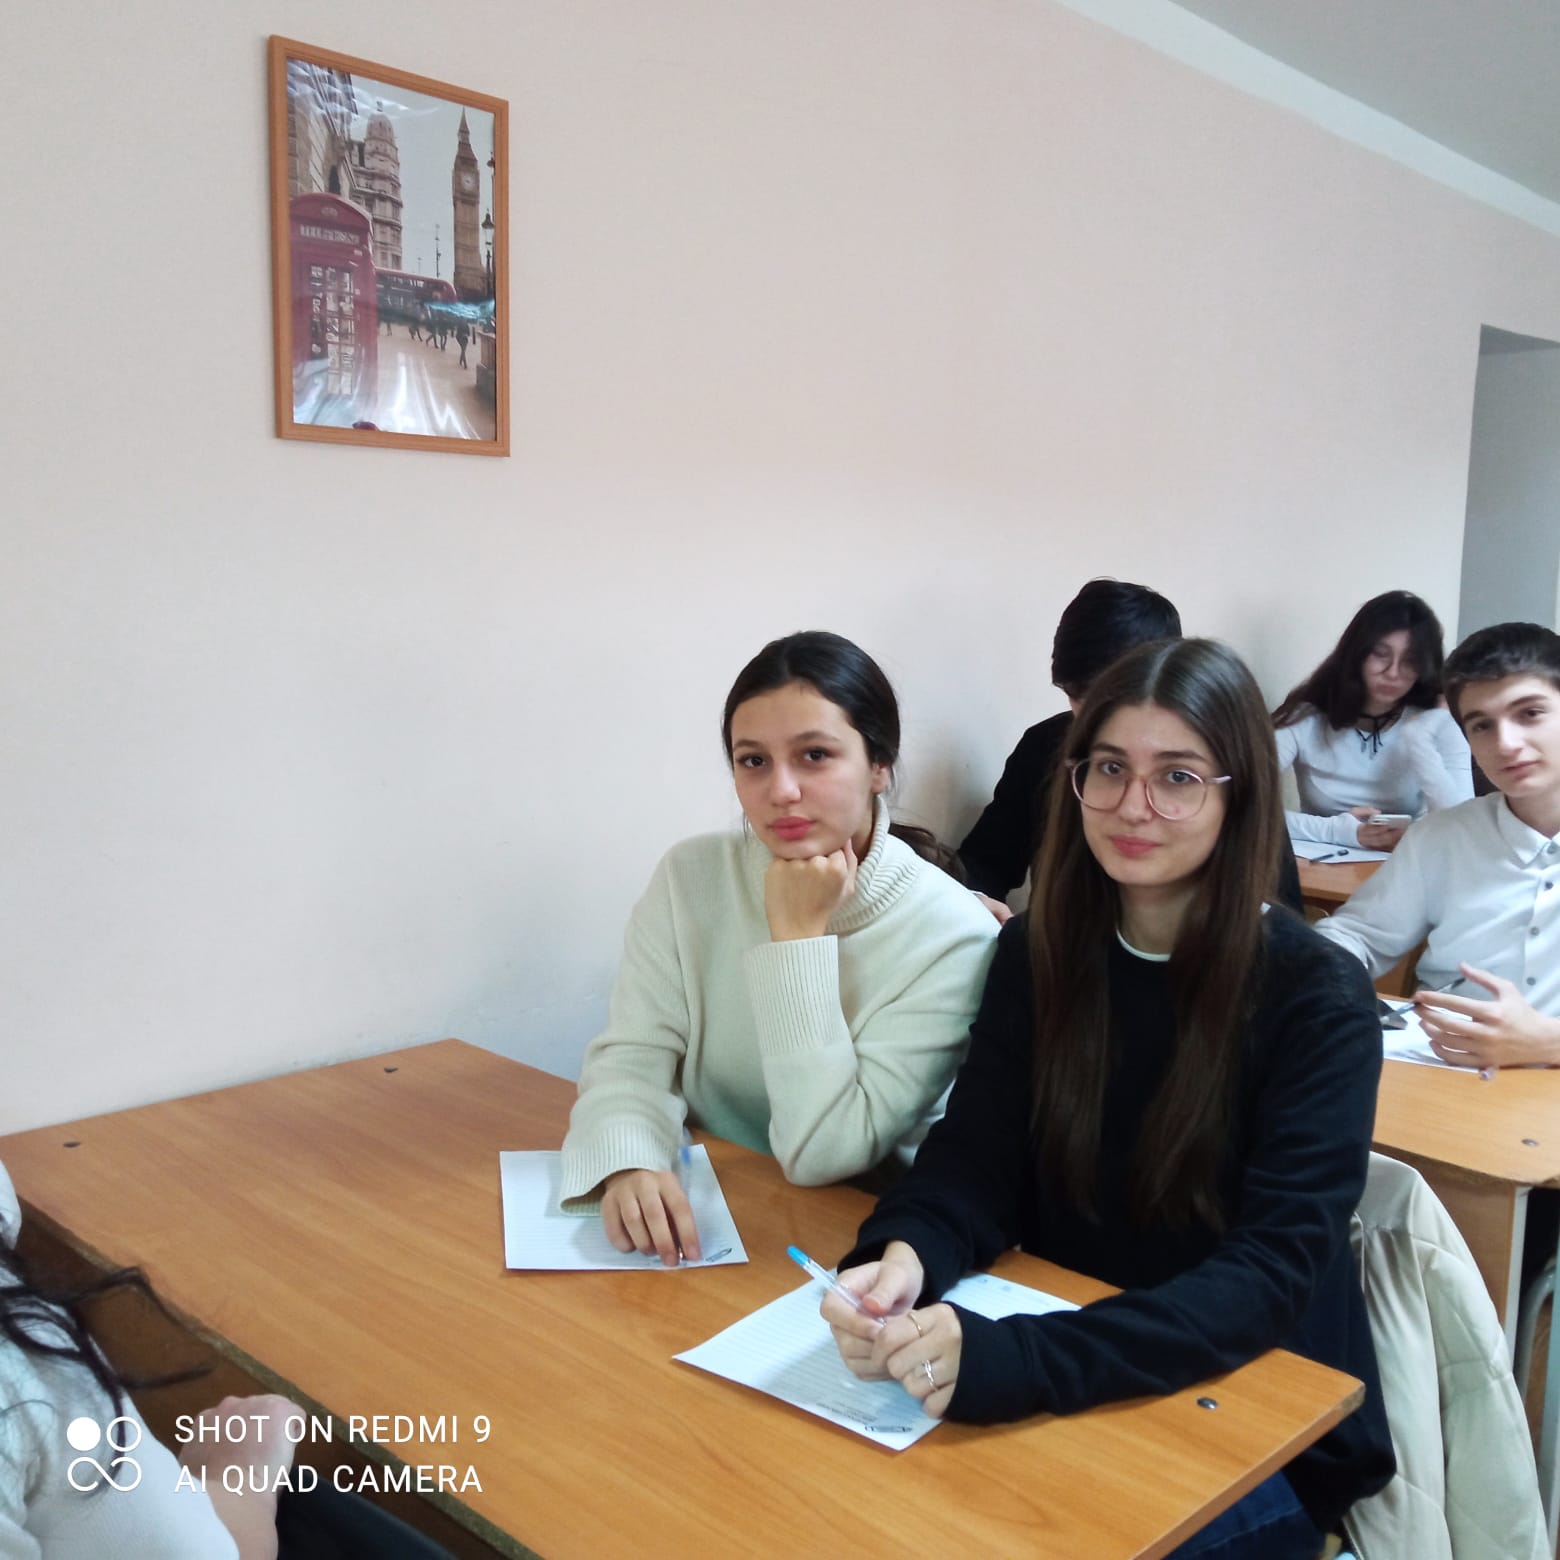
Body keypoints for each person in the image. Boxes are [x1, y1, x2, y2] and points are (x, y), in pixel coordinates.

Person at [821, 638, 1394, 1558]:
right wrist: (906, 1255)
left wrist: (1024, 1362)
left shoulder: (1315, 995)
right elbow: (975, 1157)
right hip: (1067, 1345)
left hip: (1256, 1405)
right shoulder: (1036, 952)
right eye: (1110, 769)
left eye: (1179, 778)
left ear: (1239, 794)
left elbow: (1271, 1275)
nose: (1134, 805)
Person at [559, 631, 999, 1265]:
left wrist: (797, 938)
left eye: (815, 755)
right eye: (753, 761)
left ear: (879, 765)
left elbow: (821, 1153)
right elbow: (634, 1054)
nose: (781, 790)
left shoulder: (954, 935)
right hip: (709, 1213)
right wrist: (628, 1159)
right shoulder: (690, 875)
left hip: (857, 1246)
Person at [958, 578, 1303, 915]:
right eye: (1074, 696)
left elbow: (1277, 905)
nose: (1088, 719)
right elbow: (985, 861)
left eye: (1176, 776)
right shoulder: (1043, 746)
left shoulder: (1221, 758)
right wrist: (976, 902)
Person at [1316, 622, 1560, 1070]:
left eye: (1529, 713)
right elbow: (1359, 935)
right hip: (1441, 1069)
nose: (1506, 743)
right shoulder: (1442, 836)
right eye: (1482, 725)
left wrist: (1550, 1043)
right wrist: (1307, 966)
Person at [1273, 590, 1471, 850]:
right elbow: (1242, 808)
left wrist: (1420, 738)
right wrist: (1340, 831)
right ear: (1357, 653)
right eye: (1380, 654)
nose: (1393, 673)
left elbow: (1462, 823)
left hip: (1409, 858)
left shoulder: (1438, 722)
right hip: (1320, 864)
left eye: (1410, 660)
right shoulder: (1305, 716)